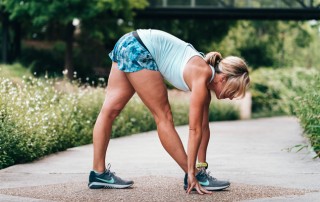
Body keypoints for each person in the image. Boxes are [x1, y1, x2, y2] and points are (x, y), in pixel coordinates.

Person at [88, 29, 250, 194]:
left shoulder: (204, 78)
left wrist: (201, 166)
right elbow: (194, 131)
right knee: (163, 117)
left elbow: (204, 128)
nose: (232, 97)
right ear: (223, 79)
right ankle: (191, 175)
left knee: (109, 111)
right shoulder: (202, 75)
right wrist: (192, 172)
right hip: (139, 48)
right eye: (234, 90)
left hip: (128, 42)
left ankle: (98, 173)